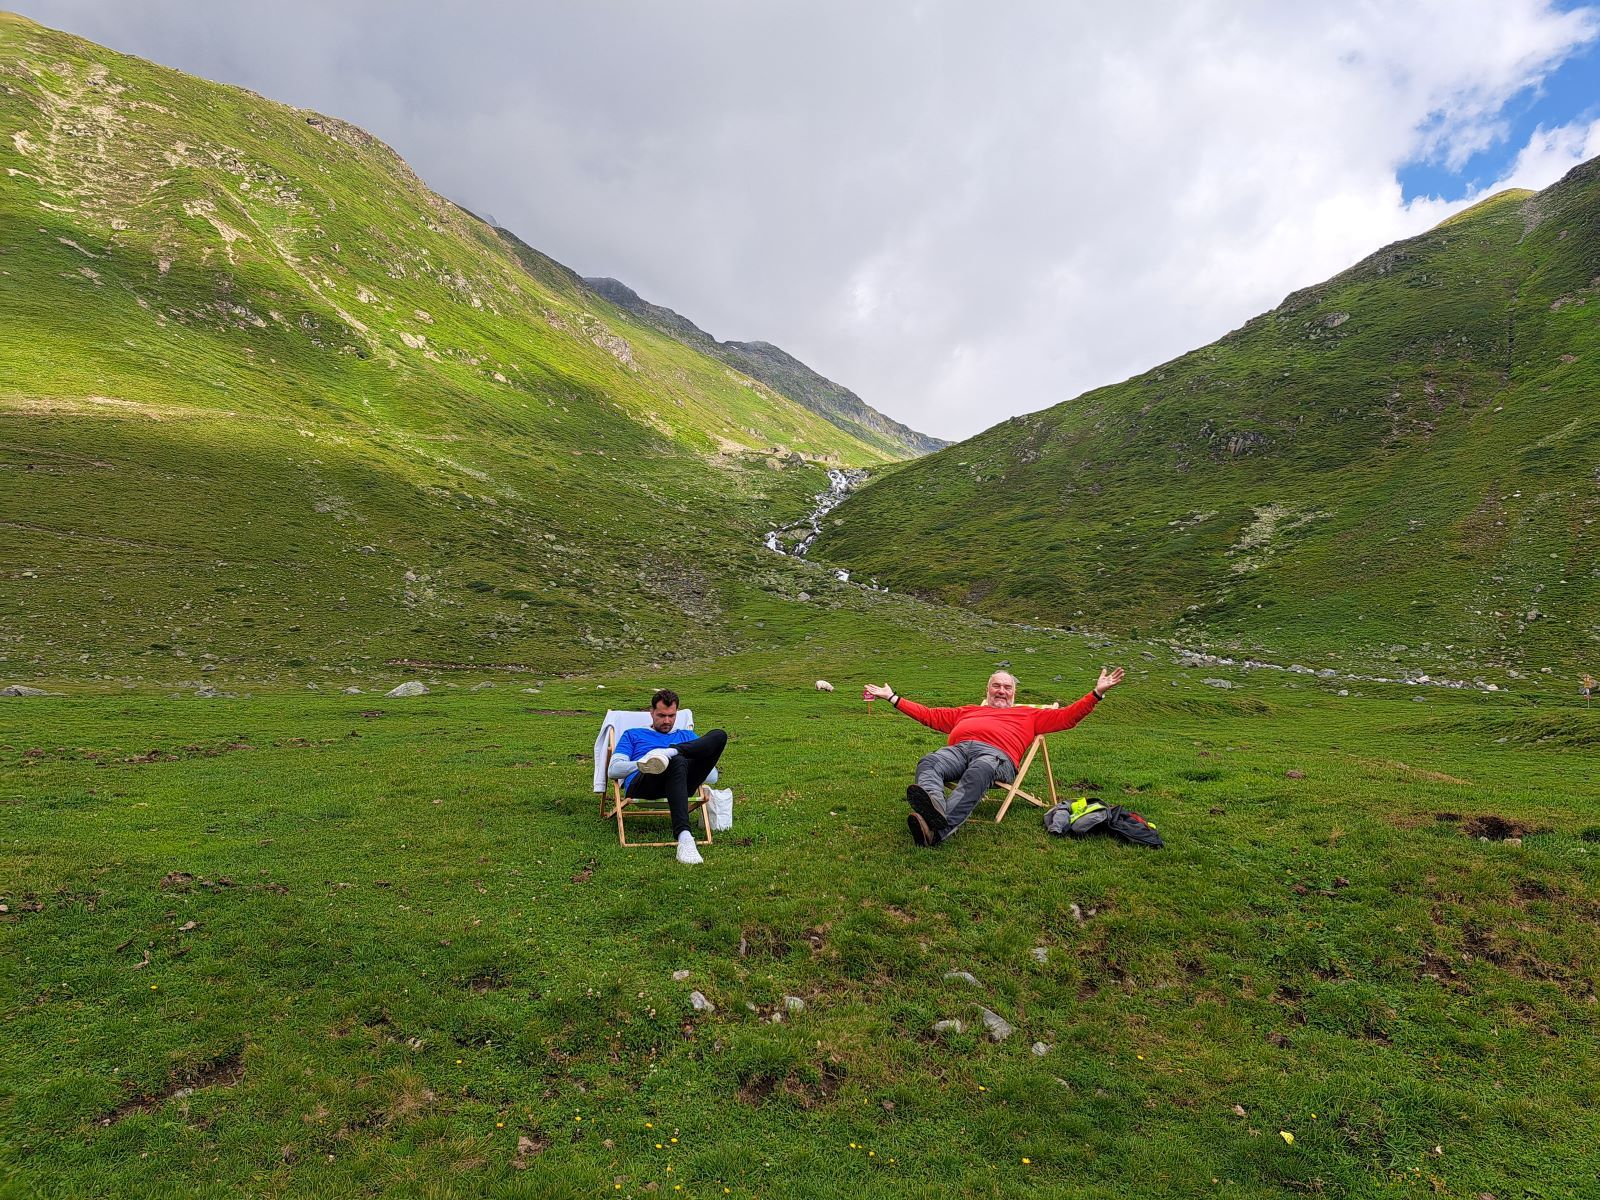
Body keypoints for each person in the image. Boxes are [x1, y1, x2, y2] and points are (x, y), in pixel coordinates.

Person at [863, 667, 1124, 847]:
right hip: (959, 750)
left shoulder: (1029, 715)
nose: (1001, 690)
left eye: (1007, 687)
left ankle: (938, 831)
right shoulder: (968, 711)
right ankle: (935, 810)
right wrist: (893, 698)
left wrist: (1096, 693)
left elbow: (1068, 717)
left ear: (1014, 693)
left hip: (996, 757)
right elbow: (930, 715)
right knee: (929, 761)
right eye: (996, 686)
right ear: (987, 690)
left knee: (981, 769)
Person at [607, 689, 728, 864]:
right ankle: (685, 838)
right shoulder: (633, 734)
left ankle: (672, 751)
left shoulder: (687, 736)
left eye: (671, 716)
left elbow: (712, 777)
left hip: (681, 785)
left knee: (719, 735)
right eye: (661, 715)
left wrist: (674, 755)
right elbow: (613, 770)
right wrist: (647, 762)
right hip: (645, 785)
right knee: (677, 760)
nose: (667, 721)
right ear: (651, 712)